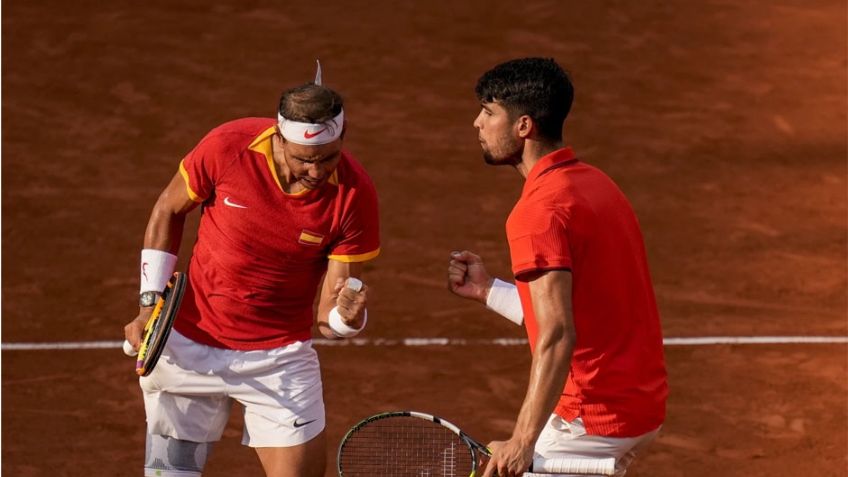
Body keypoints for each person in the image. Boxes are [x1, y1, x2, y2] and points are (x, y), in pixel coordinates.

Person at [123, 63, 380, 477]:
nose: (316, 172)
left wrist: (348, 319)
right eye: (303, 160)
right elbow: (168, 209)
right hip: (190, 343)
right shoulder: (228, 146)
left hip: (279, 359)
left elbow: (329, 319)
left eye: (328, 158)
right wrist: (149, 304)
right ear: (279, 139)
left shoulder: (354, 196)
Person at [447, 57, 668, 477]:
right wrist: (488, 290)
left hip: (589, 422)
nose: (477, 122)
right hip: (639, 406)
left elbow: (558, 333)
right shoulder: (596, 184)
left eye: (489, 111)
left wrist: (523, 440)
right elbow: (585, 308)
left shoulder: (538, 212)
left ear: (524, 126)